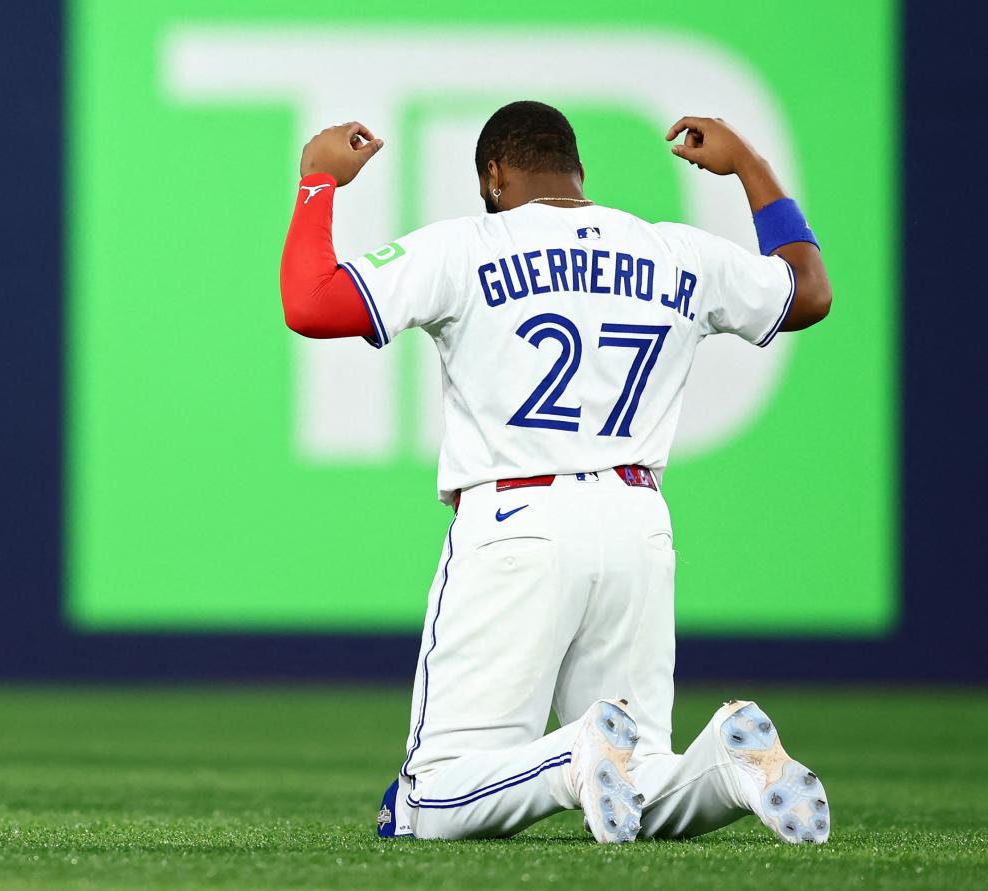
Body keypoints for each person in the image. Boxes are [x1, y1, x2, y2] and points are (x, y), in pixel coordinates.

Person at [279, 101, 832, 844]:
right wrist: (750, 168)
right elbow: (808, 289)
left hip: (518, 523)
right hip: (638, 525)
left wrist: (318, 181)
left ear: (494, 174)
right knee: (633, 778)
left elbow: (311, 303)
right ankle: (731, 766)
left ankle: (572, 755)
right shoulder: (674, 251)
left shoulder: (470, 244)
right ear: (579, 173)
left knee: (428, 800)